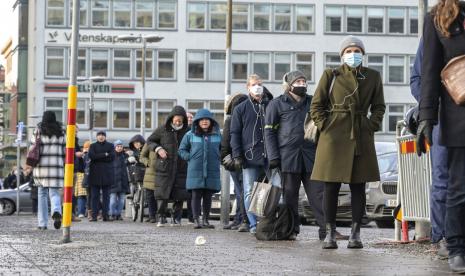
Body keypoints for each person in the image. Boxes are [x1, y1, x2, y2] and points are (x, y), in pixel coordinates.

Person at [310, 35, 385, 249]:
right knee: (330, 186)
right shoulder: (331, 75)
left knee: (358, 186)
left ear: (363, 54)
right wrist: (325, 125)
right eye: (349, 51)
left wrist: (371, 125)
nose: (353, 54)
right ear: (342, 55)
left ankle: (355, 233)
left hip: (360, 134)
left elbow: (379, 106)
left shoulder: (372, 76)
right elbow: (316, 105)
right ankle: (330, 232)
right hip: (332, 136)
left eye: (357, 51)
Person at [417, 1, 465, 272]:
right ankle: (456, 246)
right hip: (458, 116)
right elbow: (429, 73)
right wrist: (426, 117)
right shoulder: (436, 17)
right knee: (459, 189)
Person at [264, 70, 325, 241]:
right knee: (290, 195)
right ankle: (291, 229)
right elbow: (269, 132)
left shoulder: (313, 102)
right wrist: (273, 156)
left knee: (318, 193)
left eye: (304, 82)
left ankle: (326, 230)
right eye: (298, 82)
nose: (302, 85)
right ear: (289, 85)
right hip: (287, 156)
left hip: (310, 155)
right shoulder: (276, 104)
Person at [410, 38, 449, 259]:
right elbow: (417, 79)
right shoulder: (435, 34)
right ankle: (442, 236)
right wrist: (432, 107)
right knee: (442, 178)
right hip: (443, 119)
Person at [230, 74, 273, 234]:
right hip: (249, 156)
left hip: (270, 156)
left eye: (260, 84)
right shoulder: (240, 108)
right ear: (248, 87)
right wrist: (237, 155)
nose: (257, 87)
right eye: (254, 84)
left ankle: (271, 221)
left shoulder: (270, 105)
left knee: (275, 188)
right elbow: (234, 133)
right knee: (248, 190)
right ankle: (253, 224)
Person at [146, 106, 191, 227]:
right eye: (176, 119)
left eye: (180, 120)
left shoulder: (188, 130)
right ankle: (161, 217)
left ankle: (176, 218)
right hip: (165, 166)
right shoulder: (162, 129)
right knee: (162, 193)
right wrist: (158, 148)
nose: (178, 122)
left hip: (181, 166)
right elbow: (150, 141)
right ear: (171, 118)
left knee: (179, 194)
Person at [178, 108, 222, 229]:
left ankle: (206, 220)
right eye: (201, 119)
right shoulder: (189, 135)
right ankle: (196, 220)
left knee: (208, 196)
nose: (204, 121)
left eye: (207, 119)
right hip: (195, 170)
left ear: (211, 121)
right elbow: (182, 150)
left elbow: (223, 149)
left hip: (212, 169)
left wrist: (219, 157)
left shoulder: (218, 135)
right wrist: (190, 157)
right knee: (196, 195)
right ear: (197, 121)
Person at [26, 111, 66, 230]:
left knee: (42, 194)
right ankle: (56, 211)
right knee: (54, 193)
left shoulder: (38, 130)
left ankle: (42, 224)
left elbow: (32, 148)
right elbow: (65, 150)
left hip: (41, 168)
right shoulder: (62, 131)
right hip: (56, 168)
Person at [221, 92, 249, 231]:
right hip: (247, 159)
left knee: (240, 191)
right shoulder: (249, 117)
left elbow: (225, 142)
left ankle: (241, 219)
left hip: (234, 159)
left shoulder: (231, 120)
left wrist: (224, 158)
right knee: (244, 190)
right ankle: (242, 219)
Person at [88, 130, 115, 222]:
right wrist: (105, 154)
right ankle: (94, 216)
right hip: (95, 173)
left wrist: (98, 156)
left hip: (107, 173)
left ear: (105, 137)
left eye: (103, 135)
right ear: (96, 137)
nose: (101, 136)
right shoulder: (92, 146)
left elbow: (112, 157)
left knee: (106, 196)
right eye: (99, 135)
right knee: (94, 196)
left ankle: (105, 215)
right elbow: (91, 156)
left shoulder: (110, 146)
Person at [127, 134, 151, 222]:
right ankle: (133, 194)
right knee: (134, 182)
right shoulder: (133, 152)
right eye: (134, 143)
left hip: (145, 170)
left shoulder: (146, 149)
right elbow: (127, 162)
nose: (136, 144)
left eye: (138, 142)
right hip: (137, 171)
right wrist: (129, 159)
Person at [110, 140, 130, 221]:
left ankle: (118, 214)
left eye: (121, 146)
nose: (119, 148)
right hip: (113, 180)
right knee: (113, 200)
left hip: (123, 181)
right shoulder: (111, 156)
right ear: (115, 147)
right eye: (117, 146)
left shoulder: (125, 156)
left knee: (122, 201)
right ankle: (112, 214)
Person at [75, 141, 90, 218]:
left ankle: (83, 212)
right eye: (86, 147)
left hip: (82, 175)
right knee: (83, 195)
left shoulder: (82, 155)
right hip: (82, 175)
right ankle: (82, 212)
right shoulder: (81, 156)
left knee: (84, 196)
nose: (87, 149)